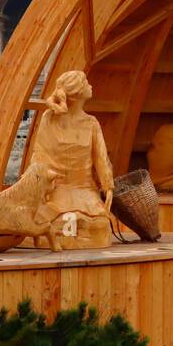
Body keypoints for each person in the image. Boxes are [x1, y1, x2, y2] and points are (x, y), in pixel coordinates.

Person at [28, 70, 115, 250]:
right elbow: (39, 157)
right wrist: (36, 189)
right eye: (86, 83)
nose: (91, 86)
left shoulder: (91, 123)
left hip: (85, 191)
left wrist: (108, 186)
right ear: (76, 94)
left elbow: (101, 158)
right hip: (55, 191)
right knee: (46, 220)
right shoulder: (49, 119)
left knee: (98, 224)